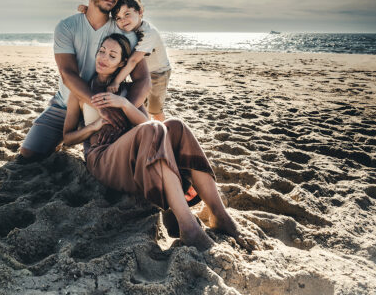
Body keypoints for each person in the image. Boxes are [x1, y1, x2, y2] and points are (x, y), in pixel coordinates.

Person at [63, 33, 249, 251]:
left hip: (132, 156)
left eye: (112, 55)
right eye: (102, 51)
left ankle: (219, 214)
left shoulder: (129, 91)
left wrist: (123, 104)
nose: (103, 58)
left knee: (176, 125)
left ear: (123, 63)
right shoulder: (81, 90)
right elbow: (67, 138)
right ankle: (188, 226)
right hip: (103, 158)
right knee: (155, 128)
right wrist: (93, 127)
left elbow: (146, 124)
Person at [19, 0, 151, 159]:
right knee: (29, 154)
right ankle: (67, 136)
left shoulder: (125, 32)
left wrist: (122, 112)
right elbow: (68, 74)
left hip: (111, 107)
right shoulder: (67, 27)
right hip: (67, 104)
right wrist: (99, 107)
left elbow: (143, 80)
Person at [108, 0, 171, 122]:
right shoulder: (128, 28)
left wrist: (116, 81)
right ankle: (148, 127)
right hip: (142, 73)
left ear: (140, 12)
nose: (123, 20)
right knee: (142, 105)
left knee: (155, 109)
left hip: (158, 73)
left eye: (127, 14)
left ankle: (164, 132)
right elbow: (105, 21)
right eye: (118, 18)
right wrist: (88, 11)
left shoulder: (149, 33)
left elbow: (133, 60)